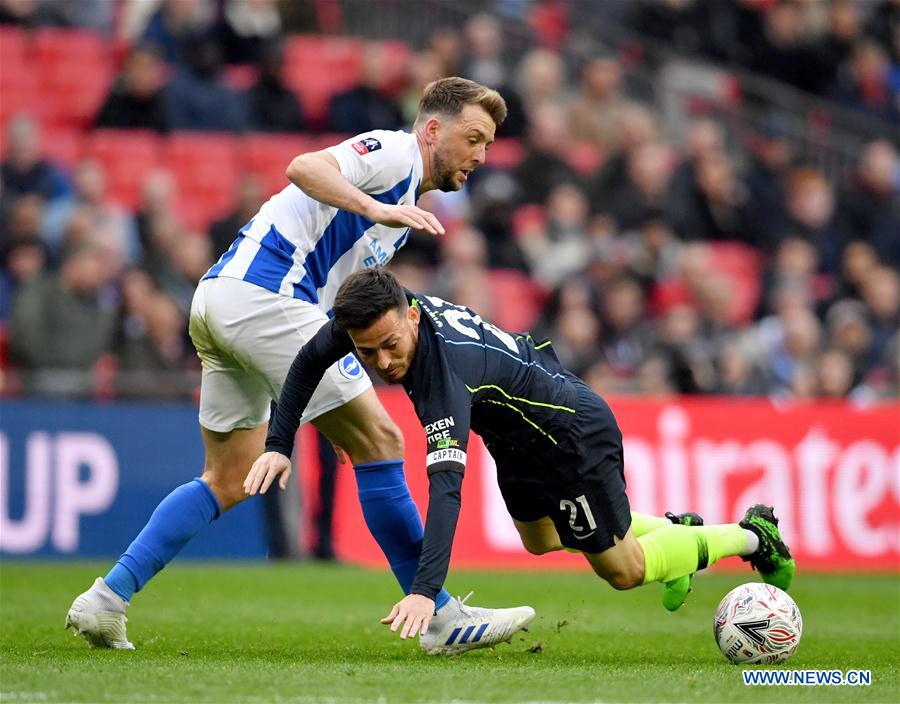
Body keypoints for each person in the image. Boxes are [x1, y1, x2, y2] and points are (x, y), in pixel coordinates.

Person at [65, 77, 534, 656]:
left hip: (223, 302)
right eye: (474, 138)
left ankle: (107, 599)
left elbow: (334, 295)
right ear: (434, 128)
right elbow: (303, 166)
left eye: (488, 144)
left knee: (230, 476)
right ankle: (439, 616)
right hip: (265, 296)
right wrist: (375, 207)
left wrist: (332, 400)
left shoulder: (405, 193)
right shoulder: (393, 154)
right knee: (383, 441)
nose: (482, 156)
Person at [248, 269, 796, 644]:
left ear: (412, 316)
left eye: (391, 345)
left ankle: (751, 536)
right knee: (541, 540)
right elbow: (306, 362)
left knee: (623, 571)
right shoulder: (376, 313)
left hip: (568, 437)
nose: (383, 362)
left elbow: (445, 490)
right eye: (368, 352)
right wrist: (278, 442)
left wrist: (423, 593)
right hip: (517, 440)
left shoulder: (447, 376)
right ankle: (677, 529)